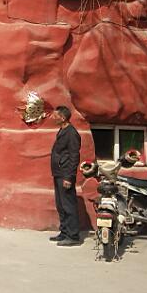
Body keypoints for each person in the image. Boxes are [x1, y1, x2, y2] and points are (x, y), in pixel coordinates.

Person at [50, 105, 81, 246]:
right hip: (58, 172)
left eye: (55, 116)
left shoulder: (72, 133)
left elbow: (74, 156)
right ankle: (64, 232)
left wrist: (69, 177)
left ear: (62, 118)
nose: (53, 118)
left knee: (68, 205)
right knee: (61, 205)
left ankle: (73, 236)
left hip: (65, 174)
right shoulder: (62, 130)